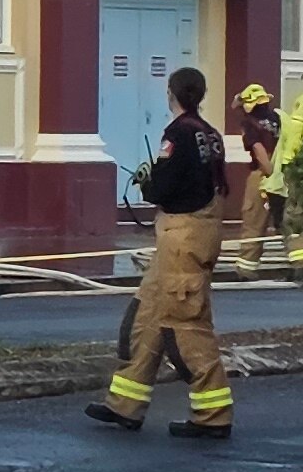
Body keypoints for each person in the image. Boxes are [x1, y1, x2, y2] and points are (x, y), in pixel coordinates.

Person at [92, 63, 232, 441]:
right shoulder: (212, 134)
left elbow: (166, 185)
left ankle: (214, 414)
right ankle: (124, 405)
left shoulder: (178, 132)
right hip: (193, 235)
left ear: (171, 93)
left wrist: (147, 183)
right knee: (147, 318)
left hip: (182, 238)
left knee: (186, 327)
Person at [231, 81, 285, 260]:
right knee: (286, 219)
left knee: (253, 219)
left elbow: (259, 150)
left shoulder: (249, 123)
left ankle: (247, 265)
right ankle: (300, 262)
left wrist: (270, 173)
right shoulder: (278, 118)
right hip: (283, 173)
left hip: (262, 174)